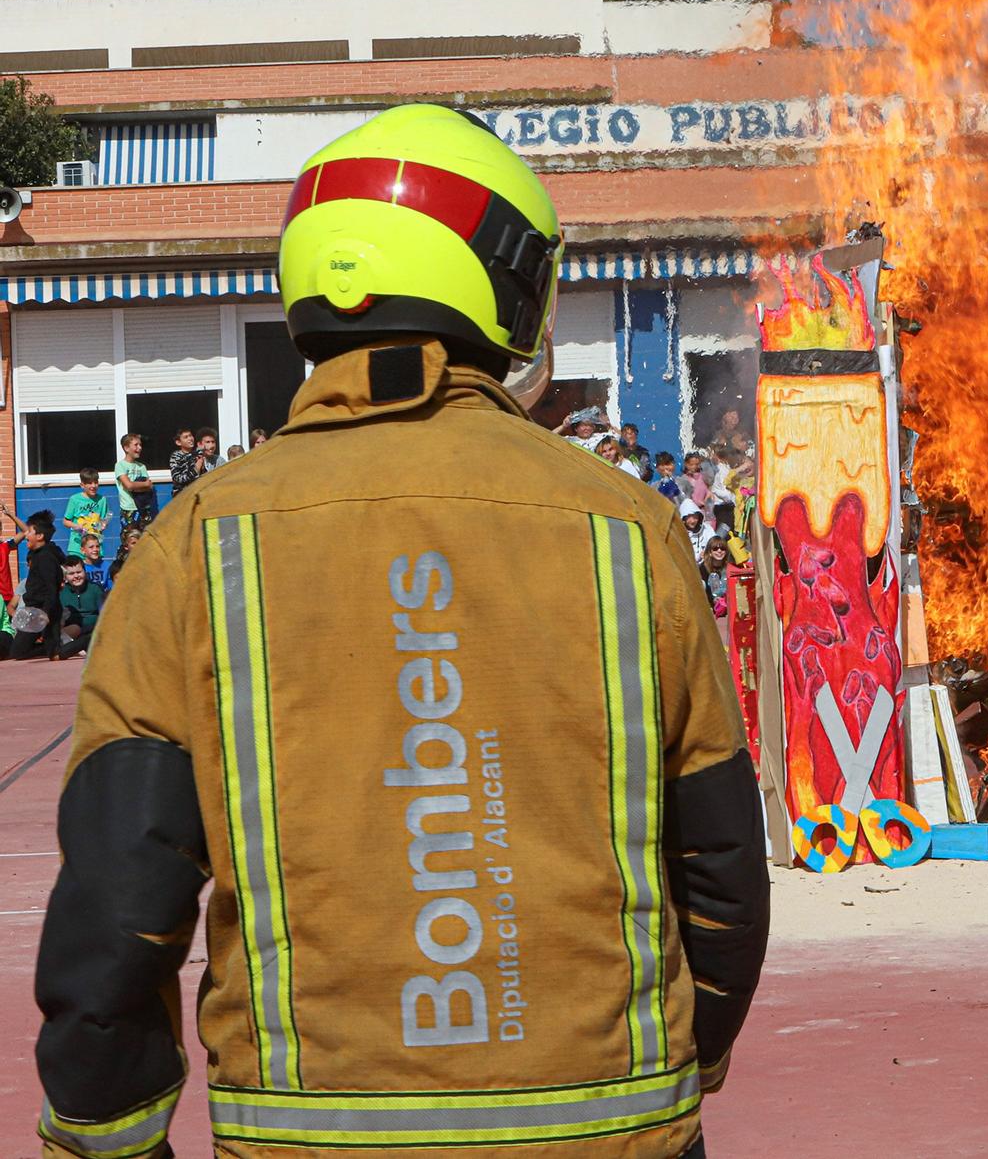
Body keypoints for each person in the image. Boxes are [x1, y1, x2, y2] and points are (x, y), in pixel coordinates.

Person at [33, 104, 766, 1159]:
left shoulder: (194, 544)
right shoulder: (627, 527)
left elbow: (118, 899)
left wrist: (103, 1138)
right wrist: (684, 1064)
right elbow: (721, 856)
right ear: (507, 281)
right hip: (610, 1132)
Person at [6, 510, 63, 662]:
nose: (26, 535)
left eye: (29, 531)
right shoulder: (39, 555)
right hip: (34, 611)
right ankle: (52, 647)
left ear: (40, 536)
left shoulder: (46, 558)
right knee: (17, 652)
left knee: (52, 654)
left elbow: (51, 588)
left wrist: (45, 613)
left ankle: (85, 641)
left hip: (42, 612)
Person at [55, 556, 103, 659]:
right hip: (72, 633)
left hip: (92, 631)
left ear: (85, 571)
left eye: (79, 572)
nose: (76, 576)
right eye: (71, 574)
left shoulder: (95, 589)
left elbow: (105, 613)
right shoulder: (61, 592)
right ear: (65, 576)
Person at [113, 433, 157, 530]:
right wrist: (143, 485)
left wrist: (137, 486)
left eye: (140, 445)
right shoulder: (120, 466)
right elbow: (128, 485)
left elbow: (149, 486)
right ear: (126, 448)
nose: (140, 448)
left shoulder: (141, 466)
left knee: (144, 539)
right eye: (136, 445)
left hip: (143, 508)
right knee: (129, 537)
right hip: (129, 508)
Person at [62, 470, 111, 555]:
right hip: (77, 545)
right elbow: (65, 521)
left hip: (95, 546)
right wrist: (76, 526)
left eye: (96, 482)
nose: (93, 486)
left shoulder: (102, 500)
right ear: (82, 485)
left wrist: (104, 524)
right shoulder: (74, 499)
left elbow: (104, 520)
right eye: (89, 483)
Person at [168, 427, 203, 493]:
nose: (190, 438)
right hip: (182, 494)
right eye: (186, 437)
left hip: (198, 491)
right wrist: (196, 469)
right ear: (178, 442)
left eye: (190, 435)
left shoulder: (198, 453)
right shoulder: (176, 456)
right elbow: (177, 478)